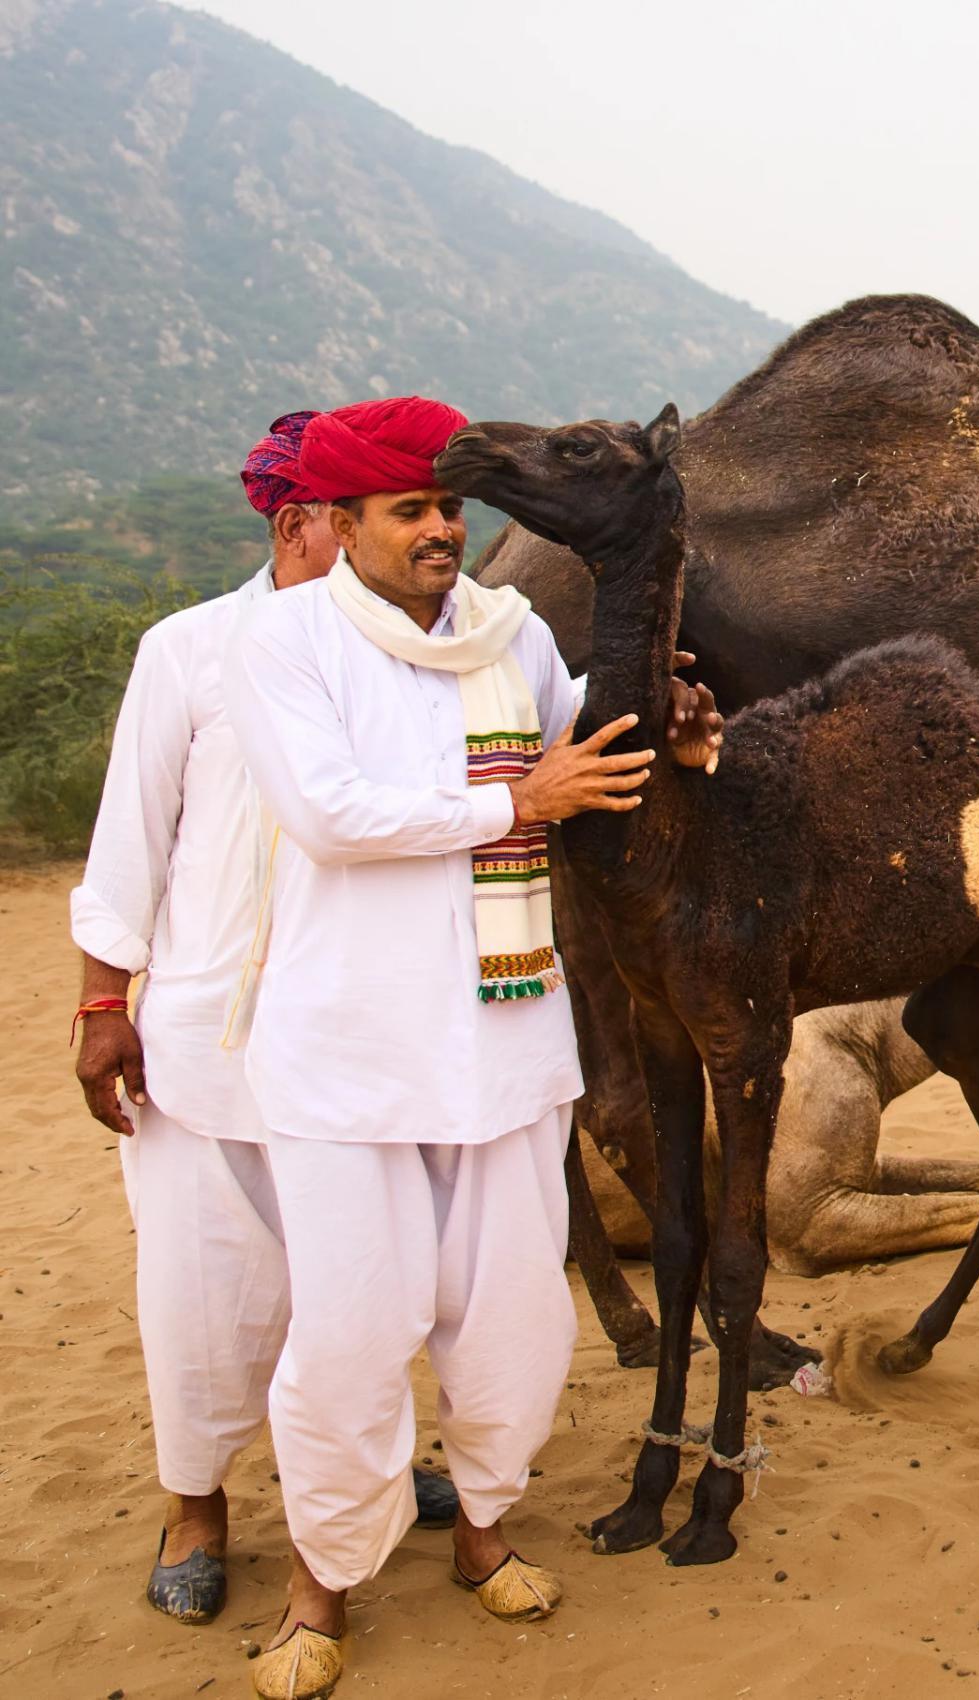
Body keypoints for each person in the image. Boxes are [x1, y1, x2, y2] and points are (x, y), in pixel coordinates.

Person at [215, 396, 690, 1700]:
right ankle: (322, 1587)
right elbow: (329, 813)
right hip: (346, 1055)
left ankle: (482, 1535)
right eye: (409, 511)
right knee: (352, 1331)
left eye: (447, 507)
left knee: (512, 1320)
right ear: (338, 521)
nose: (440, 531)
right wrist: (518, 799)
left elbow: (568, 745)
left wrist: (652, 725)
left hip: (502, 1039)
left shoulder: (509, 632)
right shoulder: (284, 641)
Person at [69, 415, 476, 1626]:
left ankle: (369, 1471)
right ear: (305, 522)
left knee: (361, 1283)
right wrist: (103, 1004)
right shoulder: (191, 650)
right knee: (200, 1287)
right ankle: (196, 1504)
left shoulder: (425, 653)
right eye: (374, 509)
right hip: (211, 1040)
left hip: (362, 1040)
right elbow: (127, 845)